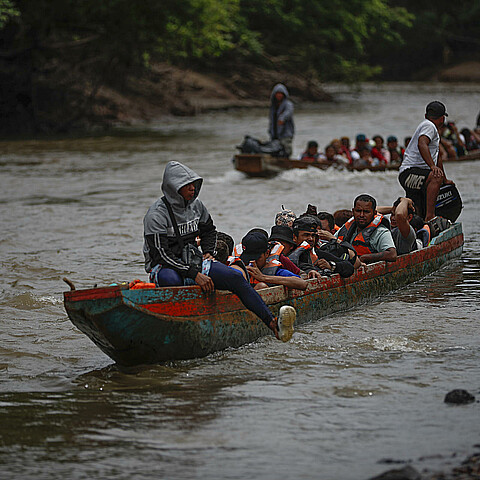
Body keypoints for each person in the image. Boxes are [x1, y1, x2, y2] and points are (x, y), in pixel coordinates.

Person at [143, 161, 296, 341]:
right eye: (187, 185)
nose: (193, 189)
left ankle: (272, 323)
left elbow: (209, 230)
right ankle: (179, 330)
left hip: (192, 260)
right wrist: (195, 274)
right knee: (172, 281)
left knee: (236, 277)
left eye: (194, 185)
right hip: (165, 265)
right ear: (173, 188)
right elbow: (161, 255)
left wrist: (208, 251)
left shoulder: (197, 206)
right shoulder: (156, 215)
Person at [398, 101, 455, 221]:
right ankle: (430, 217)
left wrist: (444, 179)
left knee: (417, 212)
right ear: (443, 118)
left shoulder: (429, 127)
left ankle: (420, 225)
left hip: (416, 174)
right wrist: (432, 167)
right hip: (409, 173)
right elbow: (422, 143)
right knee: (435, 177)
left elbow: (438, 157)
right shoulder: (429, 126)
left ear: (425, 115)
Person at [336, 194, 397, 264]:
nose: (361, 215)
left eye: (366, 212)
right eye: (358, 211)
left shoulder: (381, 232)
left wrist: (365, 258)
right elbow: (333, 240)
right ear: (353, 211)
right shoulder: (347, 227)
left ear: (374, 213)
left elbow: (392, 255)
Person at [289, 216, 354, 278]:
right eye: (306, 235)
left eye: (313, 235)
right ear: (295, 237)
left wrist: (331, 266)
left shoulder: (318, 253)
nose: (311, 239)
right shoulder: (288, 253)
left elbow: (349, 267)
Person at [240, 231, 307, 291]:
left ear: (267, 253)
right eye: (248, 258)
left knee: (261, 286)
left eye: (257, 258)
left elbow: (302, 284)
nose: (252, 262)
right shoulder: (242, 268)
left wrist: (263, 277)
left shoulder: (275, 271)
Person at [268, 83, 294, 158]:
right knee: (274, 151)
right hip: (275, 133)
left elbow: (289, 112)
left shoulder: (288, 104)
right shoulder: (273, 106)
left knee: (286, 150)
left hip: (285, 133)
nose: (279, 96)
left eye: (280, 94)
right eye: (277, 94)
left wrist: (282, 118)